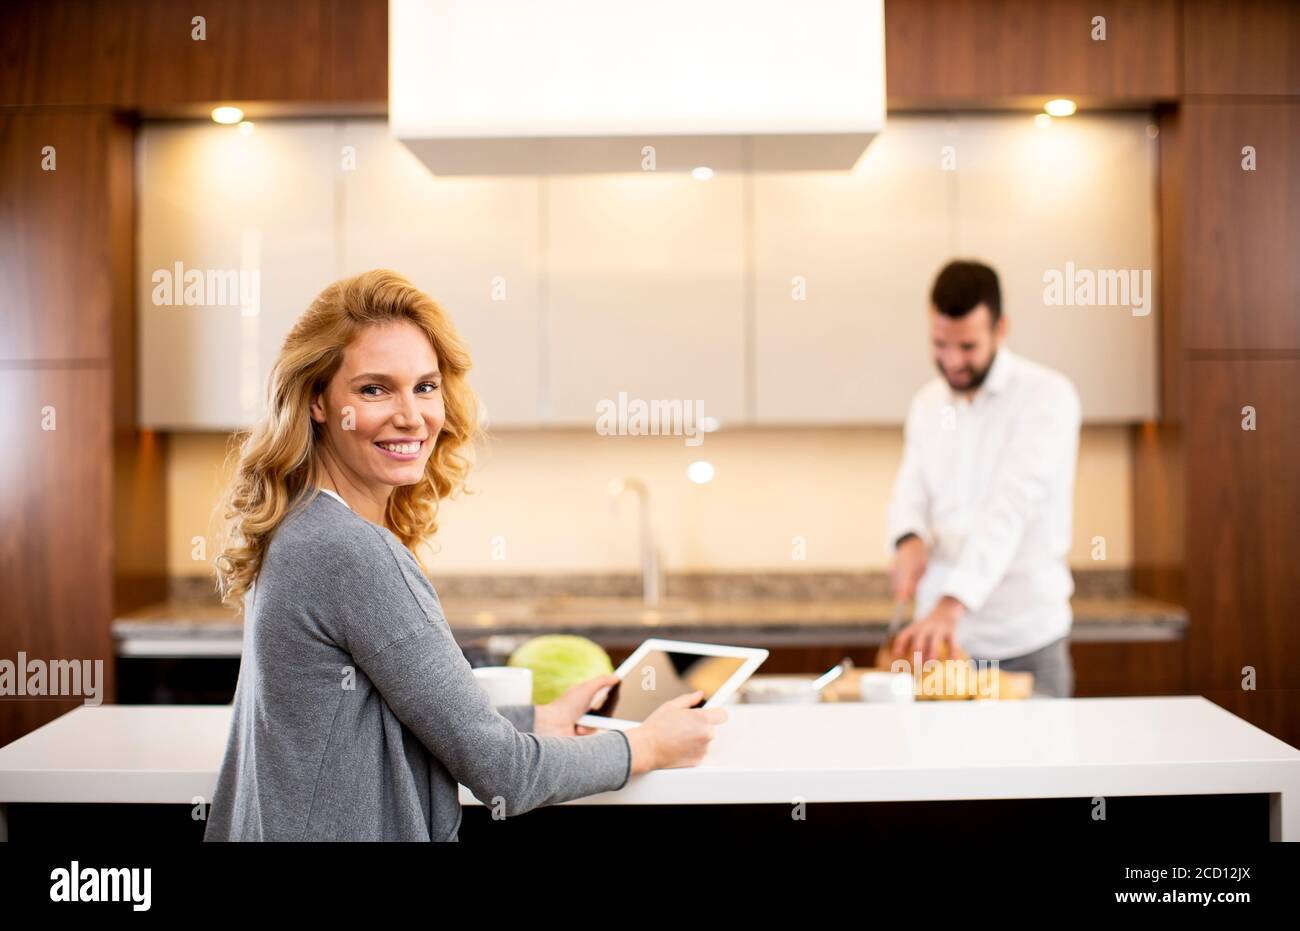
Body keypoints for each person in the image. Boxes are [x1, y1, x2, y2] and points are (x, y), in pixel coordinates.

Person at [204, 269, 725, 841]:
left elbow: (394, 716)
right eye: (374, 389)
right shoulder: (350, 551)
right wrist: (643, 746)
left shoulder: (303, 524)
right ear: (318, 402)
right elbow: (505, 776)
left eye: (425, 387)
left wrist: (540, 720)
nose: (411, 415)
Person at [886, 260, 1082, 697]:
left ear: (1001, 328)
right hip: (943, 647)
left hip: (1024, 641)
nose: (953, 361)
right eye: (940, 344)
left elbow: (1010, 508)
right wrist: (908, 539)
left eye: (968, 346)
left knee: (1037, 764)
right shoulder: (927, 403)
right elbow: (910, 490)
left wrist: (951, 605)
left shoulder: (1046, 398)